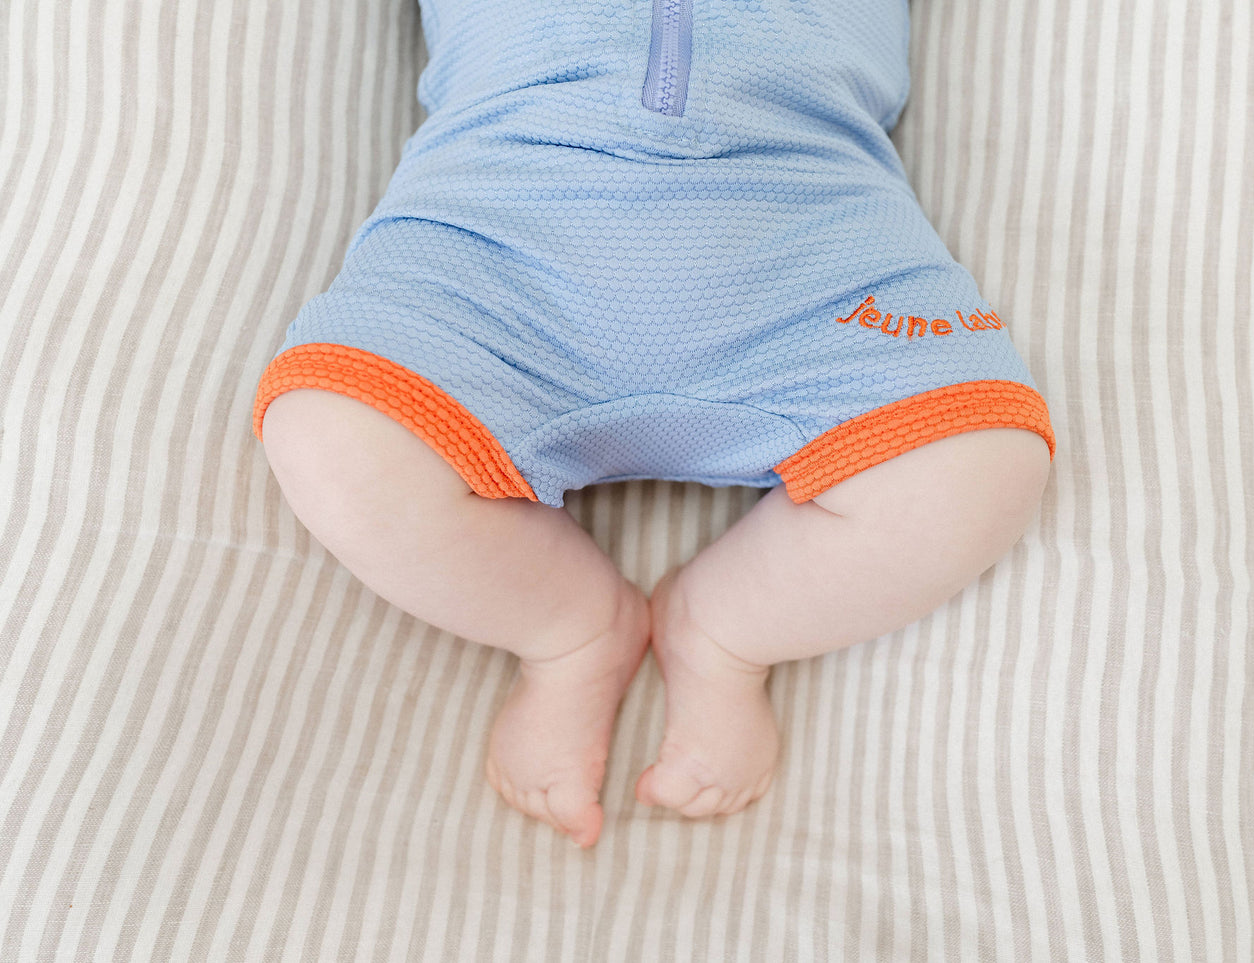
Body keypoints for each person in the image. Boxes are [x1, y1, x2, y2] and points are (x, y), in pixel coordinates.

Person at [251, 0, 1055, 849]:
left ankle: (722, 627)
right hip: (499, 248)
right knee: (331, 434)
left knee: (981, 465)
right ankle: (567, 626)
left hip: (814, 251)